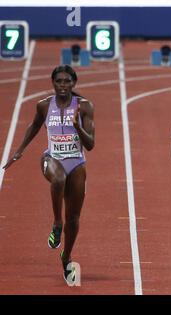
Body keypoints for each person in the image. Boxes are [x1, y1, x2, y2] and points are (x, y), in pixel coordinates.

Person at [3, 65, 95, 285]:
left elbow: (90, 145)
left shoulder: (84, 107)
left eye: (67, 82)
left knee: (74, 218)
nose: (63, 85)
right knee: (59, 178)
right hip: (51, 158)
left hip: (77, 163)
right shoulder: (44, 105)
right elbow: (34, 125)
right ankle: (56, 223)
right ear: (53, 83)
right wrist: (19, 150)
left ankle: (66, 257)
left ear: (74, 83)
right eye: (59, 81)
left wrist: (77, 127)